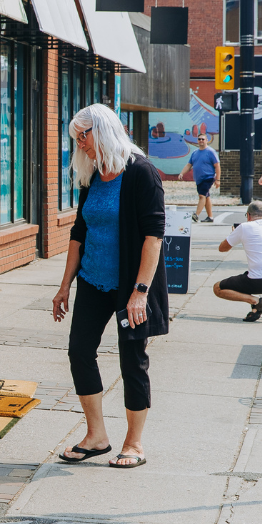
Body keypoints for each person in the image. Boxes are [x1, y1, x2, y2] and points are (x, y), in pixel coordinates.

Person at [52, 104, 168, 470]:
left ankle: (133, 443)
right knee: (79, 351)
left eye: (83, 136)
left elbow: (154, 237)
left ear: (102, 131)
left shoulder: (141, 173)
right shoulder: (93, 175)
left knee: (132, 359)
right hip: (92, 281)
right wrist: (64, 285)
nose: (80, 144)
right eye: (77, 138)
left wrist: (140, 291)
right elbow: (78, 233)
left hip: (129, 286)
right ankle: (97, 436)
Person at [213, 200, 262, 321]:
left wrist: (234, 234)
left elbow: (222, 249)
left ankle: (256, 302)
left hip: (258, 282)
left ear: (248, 215)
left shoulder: (244, 227)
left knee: (217, 288)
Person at [180, 131, 219, 223]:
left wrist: (218, 179)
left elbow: (217, 166)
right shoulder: (195, 153)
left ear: (207, 140)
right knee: (206, 196)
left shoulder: (211, 152)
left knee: (202, 196)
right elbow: (189, 165)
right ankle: (210, 217)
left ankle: (196, 215)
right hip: (199, 179)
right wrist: (182, 173)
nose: (201, 141)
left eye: (203, 139)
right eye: (199, 139)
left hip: (208, 177)